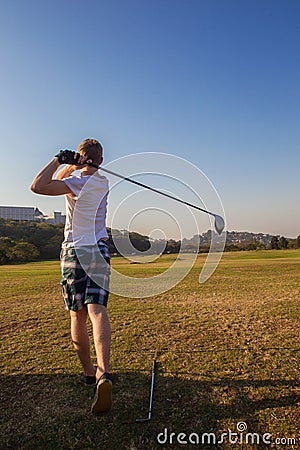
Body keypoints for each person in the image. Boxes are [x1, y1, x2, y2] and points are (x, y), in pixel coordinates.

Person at [30, 138, 112, 414]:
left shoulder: (76, 182)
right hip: (99, 248)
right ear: (100, 160)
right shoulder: (102, 182)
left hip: (75, 250)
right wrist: (77, 164)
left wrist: (58, 160)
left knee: (77, 314)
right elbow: (72, 177)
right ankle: (104, 374)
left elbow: (38, 186)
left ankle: (89, 374)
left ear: (80, 158)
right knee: (97, 311)